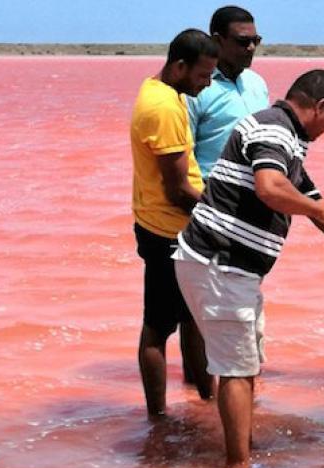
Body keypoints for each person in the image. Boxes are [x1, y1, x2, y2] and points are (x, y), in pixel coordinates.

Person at [172, 70, 324, 467]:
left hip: (233, 268)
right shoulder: (274, 129)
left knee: (246, 362)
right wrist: (320, 210)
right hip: (220, 263)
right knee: (236, 368)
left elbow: (308, 196)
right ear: (320, 107)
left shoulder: (286, 138)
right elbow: (271, 188)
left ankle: (243, 447)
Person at [129, 29, 219, 418]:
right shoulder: (163, 108)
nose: (207, 83)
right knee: (157, 328)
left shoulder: (166, 91)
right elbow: (178, 190)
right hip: (167, 231)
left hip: (174, 227)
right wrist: (221, 213)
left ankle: (207, 402)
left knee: (194, 319)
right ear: (179, 67)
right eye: (203, 75)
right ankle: (158, 419)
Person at [187, 5, 270, 178]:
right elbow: (184, 156)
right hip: (211, 189)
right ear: (217, 41)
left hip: (256, 188)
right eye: (243, 41)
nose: (251, 47)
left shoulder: (257, 83)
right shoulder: (195, 88)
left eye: (256, 40)